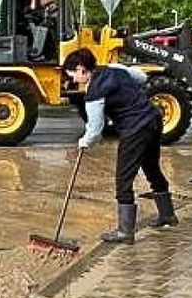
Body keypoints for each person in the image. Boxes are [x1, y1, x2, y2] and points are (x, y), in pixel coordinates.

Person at [65, 49, 176, 244]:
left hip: (135, 128)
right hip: (153, 118)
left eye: (72, 74)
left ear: (81, 69)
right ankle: (168, 215)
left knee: (123, 178)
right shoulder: (114, 68)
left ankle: (125, 232)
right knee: (151, 167)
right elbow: (141, 77)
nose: (73, 79)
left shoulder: (94, 93)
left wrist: (83, 143)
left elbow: (95, 130)